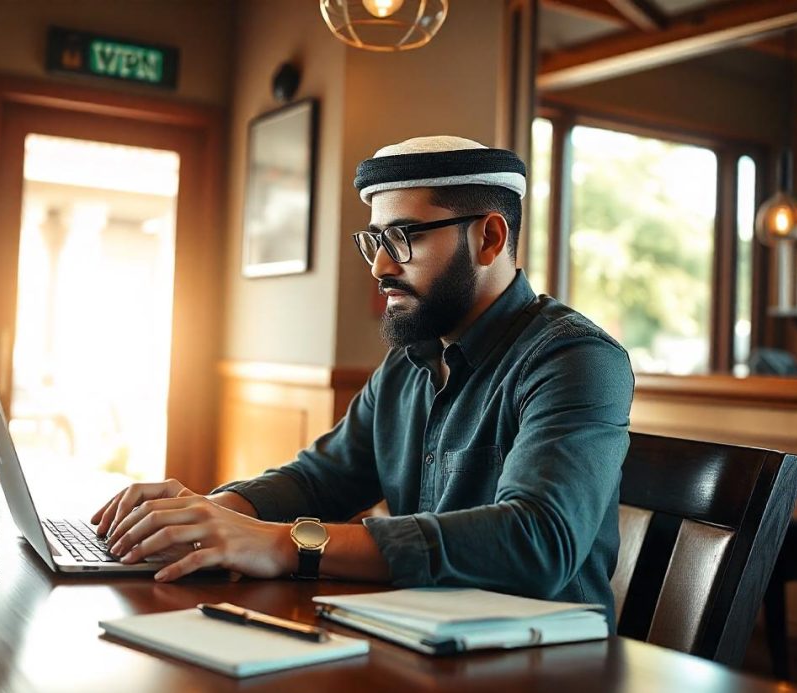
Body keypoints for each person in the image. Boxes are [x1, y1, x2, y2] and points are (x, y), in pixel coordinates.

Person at [92, 135, 634, 622]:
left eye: (402, 238)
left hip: (546, 670)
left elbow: (536, 542)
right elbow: (319, 480)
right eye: (374, 241)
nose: (379, 267)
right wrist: (208, 516)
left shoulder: (574, 358)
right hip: (417, 640)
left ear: (489, 239)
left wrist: (285, 545)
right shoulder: (410, 360)